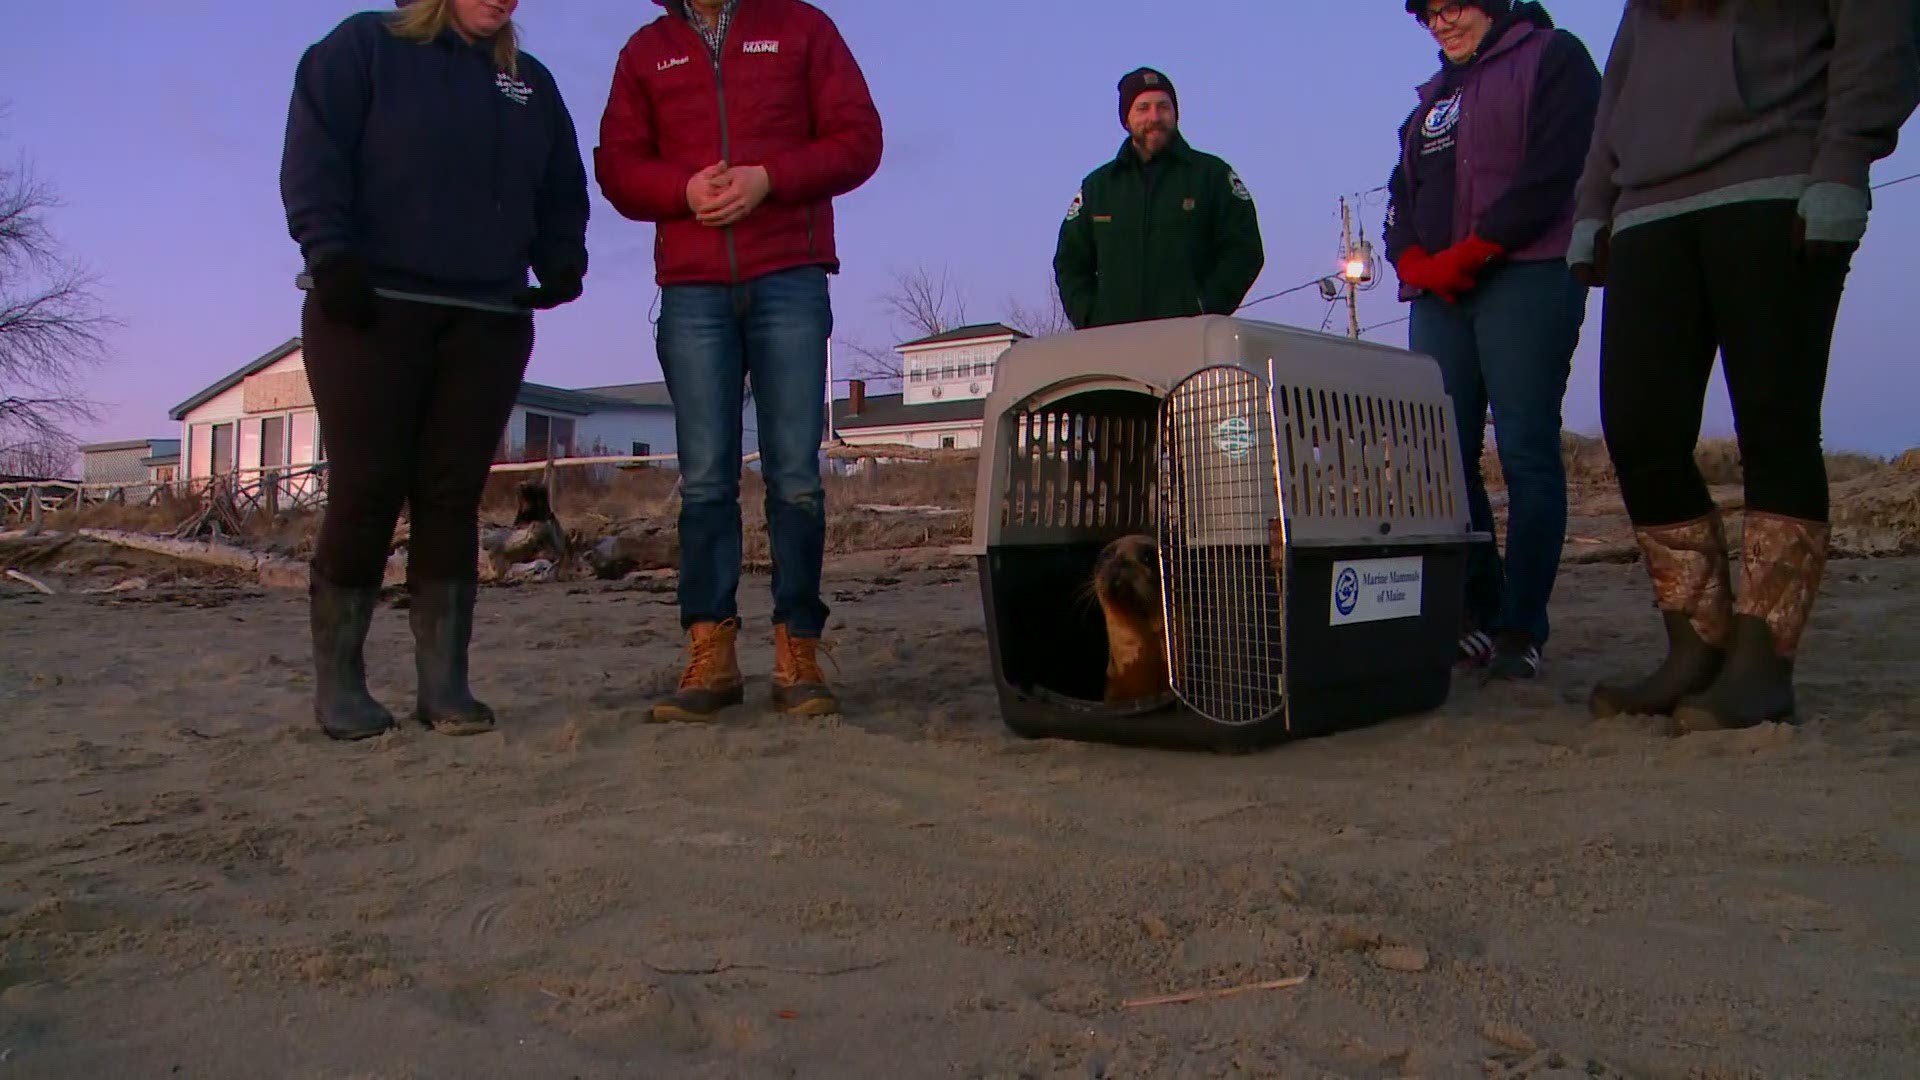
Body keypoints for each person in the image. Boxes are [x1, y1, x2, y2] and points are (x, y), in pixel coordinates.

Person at [1574, 0, 1918, 730]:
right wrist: (1592, 205)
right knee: (1638, 430)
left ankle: (1763, 662)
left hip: (1776, 179)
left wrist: (1844, 158)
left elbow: (1877, 29)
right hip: (1647, 207)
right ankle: (1695, 641)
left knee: (1775, 421)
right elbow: (1620, 91)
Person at [280, 0, 590, 741]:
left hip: (485, 319)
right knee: (368, 486)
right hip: (370, 307)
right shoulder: (363, 48)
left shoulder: (529, 85)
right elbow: (313, 155)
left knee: (451, 496)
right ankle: (341, 687)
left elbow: (561, 188)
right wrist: (330, 255)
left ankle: (445, 684)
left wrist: (561, 258)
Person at [594, 0, 882, 721]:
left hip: (790, 272)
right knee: (705, 480)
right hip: (692, 289)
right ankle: (710, 650)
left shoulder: (802, 28)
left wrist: (770, 179)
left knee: (795, 474)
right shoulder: (645, 49)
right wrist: (681, 191)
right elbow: (617, 164)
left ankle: (799, 649)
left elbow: (860, 140)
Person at [1382, 0, 1601, 680]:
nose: (1443, 22)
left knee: (1526, 447)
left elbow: (1558, 168)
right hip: (1441, 295)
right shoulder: (1428, 106)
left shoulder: (1554, 57)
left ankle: (1521, 625)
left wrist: (1480, 247)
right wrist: (1413, 259)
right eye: (1429, 14)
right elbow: (1401, 196)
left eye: (1455, 7)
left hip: (1527, 273)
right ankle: (1477, 606)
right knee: (1440, 455)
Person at [1053, 67, 1265, 329]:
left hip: (1189, 341)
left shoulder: (1212, 176)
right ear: (1126, 119)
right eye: (1143, 108)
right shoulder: (1098, 188)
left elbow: (1245, 250)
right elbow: (1070, 261)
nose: (1155, 117)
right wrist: (1090, 317)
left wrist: (1204, 307)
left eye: (1163, 106)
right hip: (1113, 346)